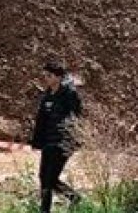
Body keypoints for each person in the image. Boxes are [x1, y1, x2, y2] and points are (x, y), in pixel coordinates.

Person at [31, 61, 83, 213]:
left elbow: (75, 118)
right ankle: (71, 198)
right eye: (45, 75)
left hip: (62, 143)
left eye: (49, 75)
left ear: (59, 77)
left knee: (50, 179)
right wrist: (37, 141)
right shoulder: (47, 95)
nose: (46, 78)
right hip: (48, 142)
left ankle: (62, 202)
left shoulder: (69, 94)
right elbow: (41, 120)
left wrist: (69, 138)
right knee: (43, 177)